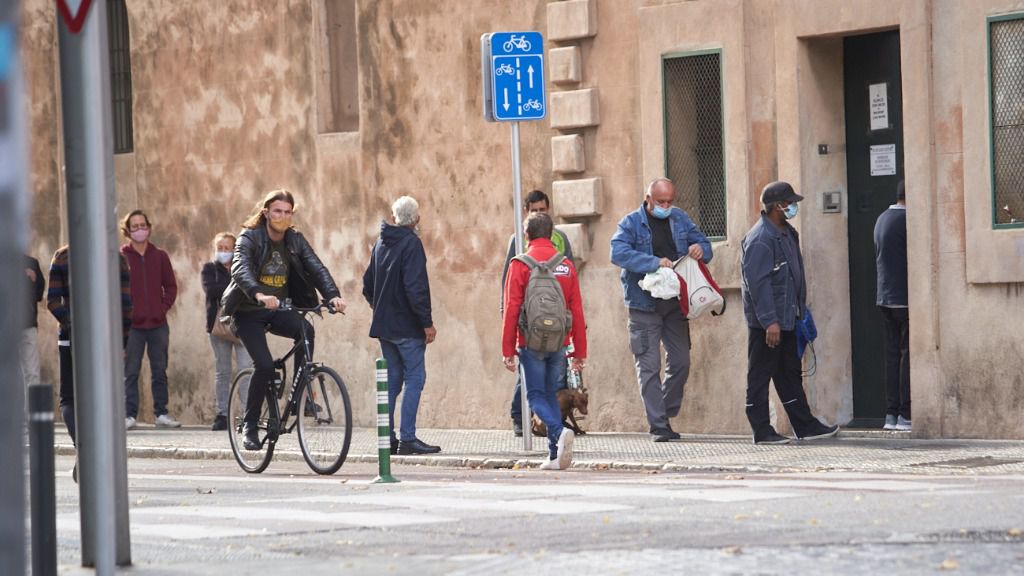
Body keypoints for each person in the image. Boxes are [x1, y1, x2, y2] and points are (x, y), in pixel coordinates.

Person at [220, 189, 346, 451]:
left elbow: (316, 267)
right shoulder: (250, 237)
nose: (282, 216)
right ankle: (250, 425)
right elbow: (240, 267)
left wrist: (333, 296)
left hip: (278, 309)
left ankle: (301, 397)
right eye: (277, 211)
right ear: (266, 212)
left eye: (288, 212)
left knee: (306, 331)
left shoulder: (294, 239)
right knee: (264, 365)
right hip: (248, 311)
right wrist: (258, 293)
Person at [610, 178, 712, 442]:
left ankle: (663, 413)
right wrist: (653, 262)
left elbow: (705, 245)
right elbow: (618, 253)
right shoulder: (631, 223)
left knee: (681, 361)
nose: (666, 206)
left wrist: (701, 249)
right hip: (644, 305)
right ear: (648, 199)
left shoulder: (679, 219)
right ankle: (658, 425)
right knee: (649, 365)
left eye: (670, 201)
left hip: (675, 303)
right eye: (660, 202)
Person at [740, 181, 840, 444]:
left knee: (789, 373)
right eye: (789, 203)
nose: (793, 206)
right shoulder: (761, 239)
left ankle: (805, 425)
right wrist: (769, 321)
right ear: (777, 206)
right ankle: (761, 430)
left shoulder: (786, 233)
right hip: (768, 323)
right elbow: (758, 285)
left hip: (788, 318)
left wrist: (798, 313)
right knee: (760, 375)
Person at [502, 212, 587, 470]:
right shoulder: (566, 266)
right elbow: (577, 309)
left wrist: (508, 349)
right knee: (551, 393)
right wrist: (579, 351)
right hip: (560, 342)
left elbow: (512, 309)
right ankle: (553, 455)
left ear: (526, 236)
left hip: (531, 341)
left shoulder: (520, 264)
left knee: (536, 395)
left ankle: (557, 431)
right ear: (551, 235)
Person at [362, 196, 440, 456]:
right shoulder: (412, 244)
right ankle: (407, 438)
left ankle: (388, 438)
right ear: (417, 219)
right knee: (415, 378)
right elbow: (416, 288)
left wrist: (380, 308)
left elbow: (367, 286)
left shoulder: (381, 243)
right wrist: (426, 323)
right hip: (407, 327)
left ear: (393, 217)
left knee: (393, 381)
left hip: (385, 327)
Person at [47, 245, 133, 480]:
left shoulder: (63, 257)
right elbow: (126, 306)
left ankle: (84, 450)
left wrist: (72, 322)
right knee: (102, 396)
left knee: (69, 397)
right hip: (106, 337)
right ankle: (95, 453)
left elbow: (52, 301)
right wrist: (122, 343)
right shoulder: (117, 259)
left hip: (70, 336)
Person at [499, 189, 574, 437]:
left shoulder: (561, 239)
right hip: (528, 325)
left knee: (552, 380)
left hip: (556, 324)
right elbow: (508, 286)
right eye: (535, 211)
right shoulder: (517, 242)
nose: (539, 213)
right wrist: (507, 321)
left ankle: (554, 430)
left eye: (543, 210)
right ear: (526, 212)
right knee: (530, 378)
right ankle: (521, 417)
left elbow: (571, 278)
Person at [121, 210, 181, 429]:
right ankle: (129, 415)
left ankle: (161, 414)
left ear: (149, 227)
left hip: (158, 325)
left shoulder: (160, 256)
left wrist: (162, 308)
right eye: (134, 226)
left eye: (142, 225)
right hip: (132, 327)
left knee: (159, 369)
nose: (139, 230)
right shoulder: (121, 256)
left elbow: (171, 286)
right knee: (131, 371)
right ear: (127, 230)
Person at [201, 232, 253, 431]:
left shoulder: (244, 265)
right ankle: (222, 414)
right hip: (218, 327)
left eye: (227, 248)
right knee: (222, 372)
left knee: (246, 370)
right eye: (220, 248)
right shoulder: (210, 269)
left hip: (243, 325)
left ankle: (249, 414)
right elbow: (212, 290)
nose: (224, 252)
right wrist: (238, 286)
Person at [874, 180, 910, 431]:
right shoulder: (907, 220)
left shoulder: (882, 219)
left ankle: (891, 414)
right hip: (905, 299)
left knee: (891, 356)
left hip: (885, 296)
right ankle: (906, 414)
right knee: (907, 357)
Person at [21, 254, 45, 388]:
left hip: (28, 326)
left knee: (32, 373)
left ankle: (32, 409)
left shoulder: (31, 263)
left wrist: (34, 280)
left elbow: (39, 295)